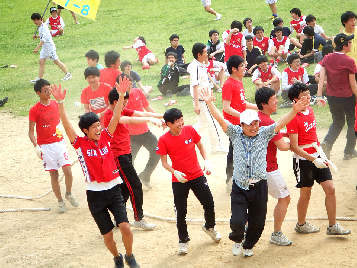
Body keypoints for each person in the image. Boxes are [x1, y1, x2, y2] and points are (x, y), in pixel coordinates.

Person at [199, 86, 309, 257]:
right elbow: (220, 120)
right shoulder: (235, 133)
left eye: (256, 123)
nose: (254, 127)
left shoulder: (265, 133)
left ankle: (248, 245)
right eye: (249, 124)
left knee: (258, 222)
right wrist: (209, 104)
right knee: (237, 221)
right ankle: (237, 239)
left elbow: (280, 123)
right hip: (240, 186)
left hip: (259, 186)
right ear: (241, 125)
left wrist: (294, 111)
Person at [51, 77, 141, 268]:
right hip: (95, 195)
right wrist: (60, 103)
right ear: (85, 131)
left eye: (99, 125)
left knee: (125, 226)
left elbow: (116, 115)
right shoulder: (80, 145)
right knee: (107, 235)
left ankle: (130, 256)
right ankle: (117, 257)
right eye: (94, 127)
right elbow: (66, 125)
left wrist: (122, 93)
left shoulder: (107, 138)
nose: (99, 129)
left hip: (114, 190)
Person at [287, 82, 351, 236]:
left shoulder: (309, 111)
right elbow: (294, 146)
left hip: (318, 155)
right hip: (303, 160)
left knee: (331, 188)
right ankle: (301, 224)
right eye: (304, 95)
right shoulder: (293, 118)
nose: (308, 97)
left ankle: (332, 226)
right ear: (295, 100)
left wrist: (319, 156)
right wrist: (312, 159)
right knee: (306, 193)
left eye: (309, 94)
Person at [156, 107, 221, 255]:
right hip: (179, 180)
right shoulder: (164, 139)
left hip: (197, 175)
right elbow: (164, 162)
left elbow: (200, 145)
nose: (180, 123)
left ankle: (209, 227)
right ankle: (183, 241)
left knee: (209, 203)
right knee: (181, 212)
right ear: (168, 124)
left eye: (181, 119)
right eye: (177, 121)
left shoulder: (190, 130)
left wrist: (207, 161)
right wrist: (175, 172)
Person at [104, 74, 162, 229]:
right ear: (116, 102)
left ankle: (119, 217)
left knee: (124, 187)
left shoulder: (121, 109)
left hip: (126, 153)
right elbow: (130, 120)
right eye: (124, 103)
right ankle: (139, 218)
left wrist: (164, 117)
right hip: (118, 156)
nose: (125, 106)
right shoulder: (110, 115)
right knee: (135, 185)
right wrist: (151, 121)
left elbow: (141, 113)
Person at [29, 79, 78, 213]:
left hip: (59, 143)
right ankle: (60, 201)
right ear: (38, 93)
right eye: (46, 90)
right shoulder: (34, 110)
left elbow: (65, 121)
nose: (49, 92)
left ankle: (68, 193)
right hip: (45, 147)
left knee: (68, 171)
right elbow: (31, 131)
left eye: (49, 89)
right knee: (54, 175)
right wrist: (36, 146)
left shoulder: (56, 104)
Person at [255, 87, 292, 246]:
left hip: (254, 168)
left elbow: (272, 132)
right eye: (273, 99)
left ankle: (245, 231)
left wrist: (282, 133)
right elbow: (283, 147)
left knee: (255, 202)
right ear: (264, 104)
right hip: (268, 168)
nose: (277, 101)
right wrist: (299, 144)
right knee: (284, 198)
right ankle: (276, 233)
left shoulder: (256, 118)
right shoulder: (269, 122)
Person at [316, 33, 357, 160]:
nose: (351, 44)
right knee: (352, 123)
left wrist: (319, 96)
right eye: (349, 42)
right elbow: (353, 83)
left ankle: (327, 143)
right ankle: (349, 150)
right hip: (347, 97)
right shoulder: (350, 61)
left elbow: (321, 78)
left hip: (332, 97)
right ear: (345, 45)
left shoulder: (327, 58)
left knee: (337, 122)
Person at [222, 55, 258, 192]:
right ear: (234, 68)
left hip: (241, 122)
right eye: (242, 66)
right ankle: (230, 180)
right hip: (233, 124)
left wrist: (257, 107)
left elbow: (242, 104)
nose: (245, 68)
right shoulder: (229, 84)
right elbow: (227, 108)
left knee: (242, 150)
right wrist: (243, 115)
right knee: (235, 151)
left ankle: (237, 178)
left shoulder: (238, 82)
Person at [187, 43, 227, 154]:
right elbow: (195, 86)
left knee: (202, 123)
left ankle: (184, 137)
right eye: (205, 52)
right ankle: (216, 146)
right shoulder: (196, 67)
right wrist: (196, 104)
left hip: (204, 99)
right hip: (201, 100)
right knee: (212, 121)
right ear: (199, 54)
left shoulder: (199, 65)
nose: (207, 53)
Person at [125, 81, 161, 189]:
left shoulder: (138, 92)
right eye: (126, 85)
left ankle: (145, 175)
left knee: (158, 151)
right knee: (129, 161)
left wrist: (158, 119)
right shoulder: (117, 98)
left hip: (144, 132)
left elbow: (148, 108)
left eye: (130, 84)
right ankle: (129, 184)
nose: (129, 87)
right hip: (129, 135)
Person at [30, 13, 72, 84]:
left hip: (49, 48)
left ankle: (67, 74)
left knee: (56, 61)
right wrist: (37, 36)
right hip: (44, 48)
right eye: (33, 21)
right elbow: (43, 37)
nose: (34, 22)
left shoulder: (45, 28)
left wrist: (37, 48)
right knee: (41, 62)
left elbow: (44, 40)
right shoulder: (40, 27)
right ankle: (40, 79)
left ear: (40, 19)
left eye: (35, 20)